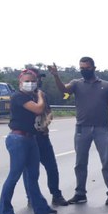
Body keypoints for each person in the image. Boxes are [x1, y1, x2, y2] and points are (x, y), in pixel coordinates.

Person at [48, 57, 108, 206]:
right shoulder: (77, 84)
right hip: (82, 129)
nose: (84, 71)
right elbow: (64, 89)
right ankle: (80, 193)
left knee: (107, 161)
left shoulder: (106, 85)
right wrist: (56, 76)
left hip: (102, 129)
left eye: (87, 68)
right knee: (80, 163)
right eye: (81, 68)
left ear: (94, 68)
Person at [0, 69, 58, 214]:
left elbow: (45, 113)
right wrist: (40, 96)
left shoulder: (30, 96)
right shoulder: (18, 96)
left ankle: (40, 207)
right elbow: (38, 109)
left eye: (33, 81)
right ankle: (4, 210)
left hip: (31, 138)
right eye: (26, 81)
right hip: (18, 139)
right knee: (15, 174)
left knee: (33, 175)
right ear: (20, 82)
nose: (30, 83)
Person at [22, 68, 69, 207]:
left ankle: (56, 195)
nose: (36, 82)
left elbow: (48, 111)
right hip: (28, 137)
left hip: (42, 136)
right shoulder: (21, 96)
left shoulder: (42, 95)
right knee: (29, 170)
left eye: (37, 79)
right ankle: (31, 197)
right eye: (32, 79)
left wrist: (47, 120)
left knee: (52, 167)